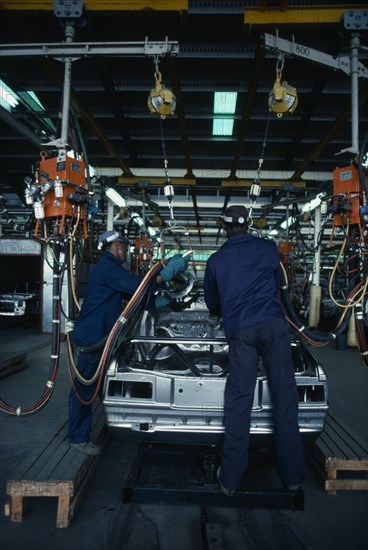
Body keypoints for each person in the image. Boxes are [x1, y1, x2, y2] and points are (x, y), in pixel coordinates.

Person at [203, 205, 305, 495]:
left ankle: (230, 480)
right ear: (248, 225)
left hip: (242, 332)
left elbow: (213, 305)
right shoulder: (269, 248)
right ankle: (293, 476)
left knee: (239, 402)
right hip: (274, 328)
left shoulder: (216, 260)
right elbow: (276, 287)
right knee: (285, 398)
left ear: (225, 227)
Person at [69, 230, 189, 455]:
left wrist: (162, 302)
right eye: (124, 246)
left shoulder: (111, 269)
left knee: (92, 385)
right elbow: (139, 286)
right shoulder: (108, 268)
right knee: (84, 387)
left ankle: (88, 428)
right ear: (114, 246)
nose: (126, 250)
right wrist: (169, 272)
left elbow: (133, 296)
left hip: (100, 334)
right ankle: (78, 438)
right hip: (93, 336)